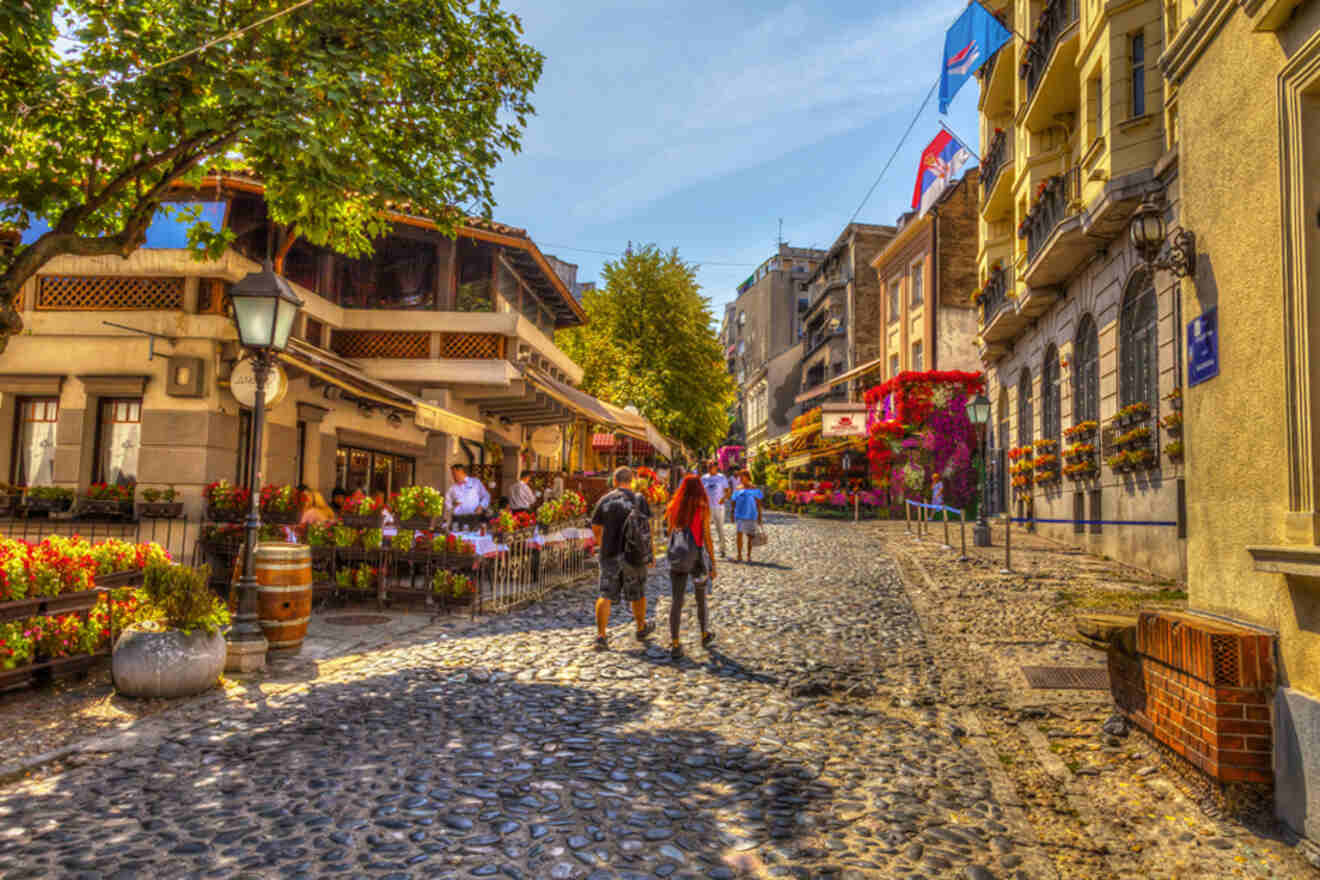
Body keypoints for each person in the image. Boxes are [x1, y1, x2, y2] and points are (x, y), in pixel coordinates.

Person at [589, 465, 654, 651]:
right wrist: (650, 554)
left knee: (605, 594)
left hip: (609, 554)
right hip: (634, 554)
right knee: (638, 593)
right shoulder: (639, 499)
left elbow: (595, 527)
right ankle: (641, 627)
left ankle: (601, 635)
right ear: (631, 480)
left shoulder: (605, 500)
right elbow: (645, 530)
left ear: (615, 481)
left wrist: (603, 544)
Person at [665, 474, 716, 660]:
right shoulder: (702, 509)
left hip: (678, 558)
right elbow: (707, 537)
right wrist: (713, 562)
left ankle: (676, 643)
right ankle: (704, 634)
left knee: (677, 600)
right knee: (700, 598)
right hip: (697, 560)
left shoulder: (673, 507)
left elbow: (671, 533)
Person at [732, 470, 764, 564]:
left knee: (750, 536)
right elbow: (734, 501)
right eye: (740, 477)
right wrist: (732, 513)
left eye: (742, 476)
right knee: (739, 535)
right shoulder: (738, 488)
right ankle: (739, 555)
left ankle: (749, 555)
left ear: (747, 477)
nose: (740, 478)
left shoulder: (754, 488)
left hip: (751, 515)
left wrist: (760, 516)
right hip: (740, 515)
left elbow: (758, 503)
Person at [700, 460, 730, 558]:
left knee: (720, 528)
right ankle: (706, 549)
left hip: (719, 507)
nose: (710, 467)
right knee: (705, 529)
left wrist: (724, 498)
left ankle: (722, 549)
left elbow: (727, 490)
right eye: (708, 466)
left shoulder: (721, 477)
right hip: (707, 508)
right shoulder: (704, 478)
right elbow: (700, 491)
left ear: (716, 467)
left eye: (712, 466)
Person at [445, 463, 490, 530]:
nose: (453, 477)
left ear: (461, 471)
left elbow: (486, 496)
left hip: (474, 518)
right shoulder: (452, 488)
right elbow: (447, 504)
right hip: (458, 520)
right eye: (452, 474)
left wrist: (481, 506)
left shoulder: (475, 482)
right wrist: (452, 506)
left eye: (454, 474)